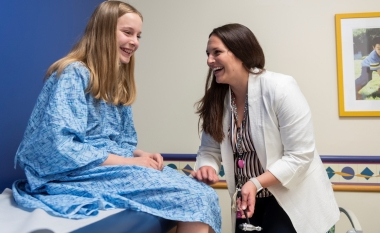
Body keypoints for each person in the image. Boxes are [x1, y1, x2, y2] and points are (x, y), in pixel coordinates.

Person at [12, 2, 221, 233]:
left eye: (138, 35)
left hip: (103, 167)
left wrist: (139, 154)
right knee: (194, 198)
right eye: (128, 32)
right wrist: (129, 162)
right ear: (104, 30)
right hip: (71, 173)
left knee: (204, 193)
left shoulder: (116, 83)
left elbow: (116, 142)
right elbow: (62, 147)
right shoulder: (74, 74)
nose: (135, 42)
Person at [191, 23, 339, 233]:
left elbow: (300, 156)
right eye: (208, 54)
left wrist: (256, 182)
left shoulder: (281, 88)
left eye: (217, 52)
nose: (209, 60)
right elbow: (209, 150)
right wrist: (208, 167)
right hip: (248, 200)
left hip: (291, 197)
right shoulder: (218, 99)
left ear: (241, 53)